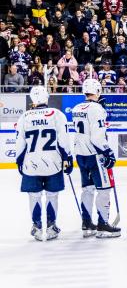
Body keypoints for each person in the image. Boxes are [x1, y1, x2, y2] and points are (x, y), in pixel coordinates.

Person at [14, 85, 72, 241]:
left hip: (31, 164)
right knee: (52, 195)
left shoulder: (24, 117)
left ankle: (37, 227)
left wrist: (19, 160)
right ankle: (51, 227)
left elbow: (19, 143)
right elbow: (64, 140)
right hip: (54, 163)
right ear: (47, 97)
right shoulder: (57, 114)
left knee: (34, 196)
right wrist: (67, 158)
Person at [71, 79, 120, 238]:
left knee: (88, 189)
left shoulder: (77, 108)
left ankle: (86, 223)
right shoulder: (97, 109)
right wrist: (108, 152)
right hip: (95, 154)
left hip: (81, 154)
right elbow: (97, 137)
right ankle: (103, 225)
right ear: (98, 91)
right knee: (104, 190)